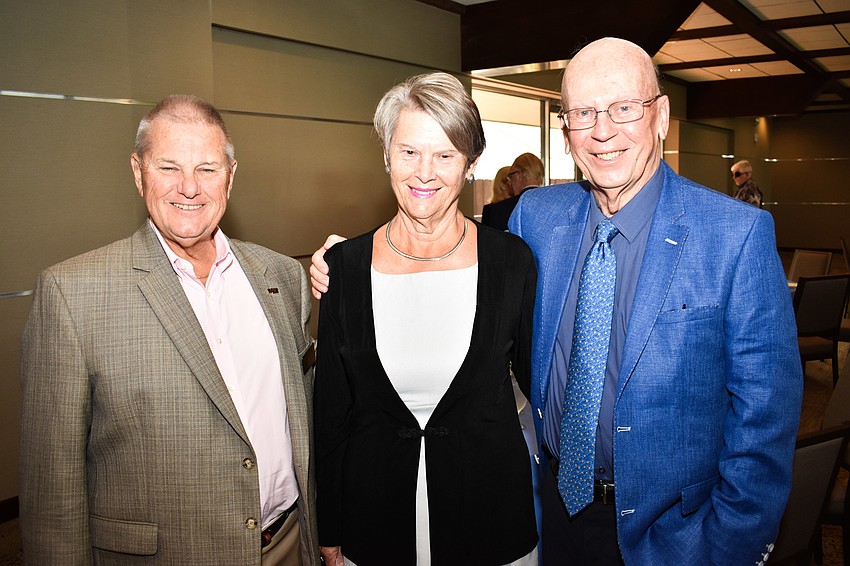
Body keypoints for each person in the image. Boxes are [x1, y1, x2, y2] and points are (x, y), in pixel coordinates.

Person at [311, 38, 802, 565]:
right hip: (550, 518)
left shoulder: (736, 234)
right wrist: (353, 261)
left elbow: (765, 421)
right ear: (566, 130)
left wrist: (727, 549)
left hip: (677, 536)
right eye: (583, 112)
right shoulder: (536, 220)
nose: (602, 130)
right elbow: (461, 264)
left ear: (659, 116)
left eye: (623, 108)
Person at [20, 95, 320, 565]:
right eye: (169, 168)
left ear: (231, 176)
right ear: (138, 172)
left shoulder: (281, 276)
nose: (189, 188)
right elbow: (52, 487)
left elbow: (308, 413)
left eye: (206, 169)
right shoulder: (72, 294)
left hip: (287, 543)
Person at [313, 72, 538, 566]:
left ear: (471, 164)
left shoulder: (511, 262)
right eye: (410, 151)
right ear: (387, 155)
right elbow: (331, 415)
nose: (424, 172)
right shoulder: (342, 269)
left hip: (491, 523)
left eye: (445, 155)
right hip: (372, 525)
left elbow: (537, 386)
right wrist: (328, 529)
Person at [482, 152, 544, 230]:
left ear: (519, 176)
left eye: (511, 176)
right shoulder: (554, 205)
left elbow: (494, 241)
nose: (510, 182)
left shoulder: (501, 210)